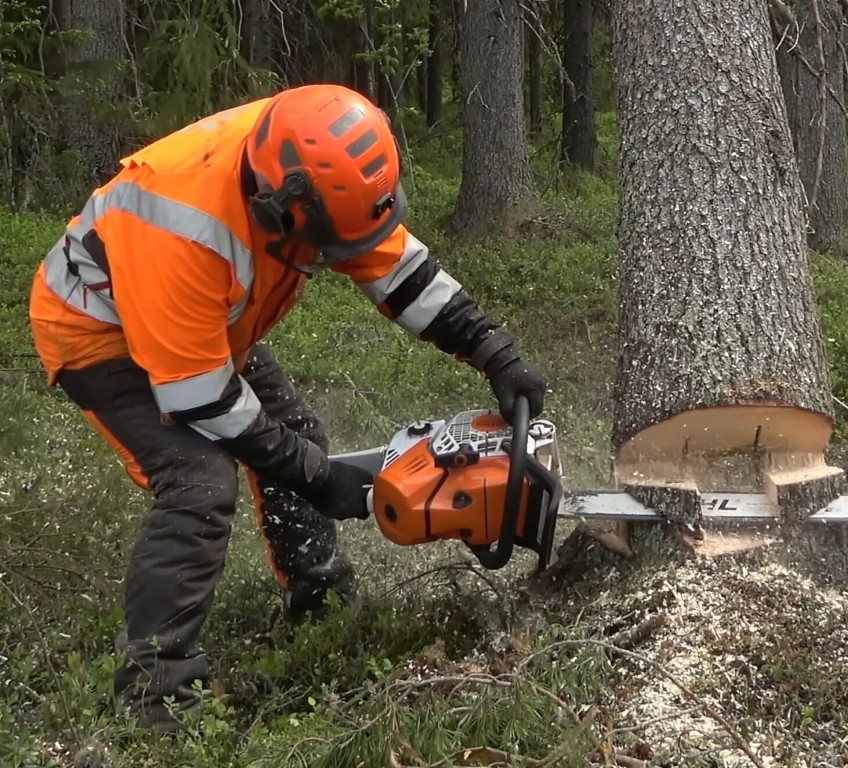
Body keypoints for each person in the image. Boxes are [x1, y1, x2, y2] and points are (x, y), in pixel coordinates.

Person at [26, 83, 548, 733]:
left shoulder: (321, 156)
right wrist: (318, 476)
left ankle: (316, 593)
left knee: (295, 429)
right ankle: (152, 699)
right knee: (199, 483)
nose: (335, 259)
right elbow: (201, 397)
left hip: (210, 322)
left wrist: (494, 352)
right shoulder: (179, 223)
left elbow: (394, 266)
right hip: (104, 335)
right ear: (284, 203)